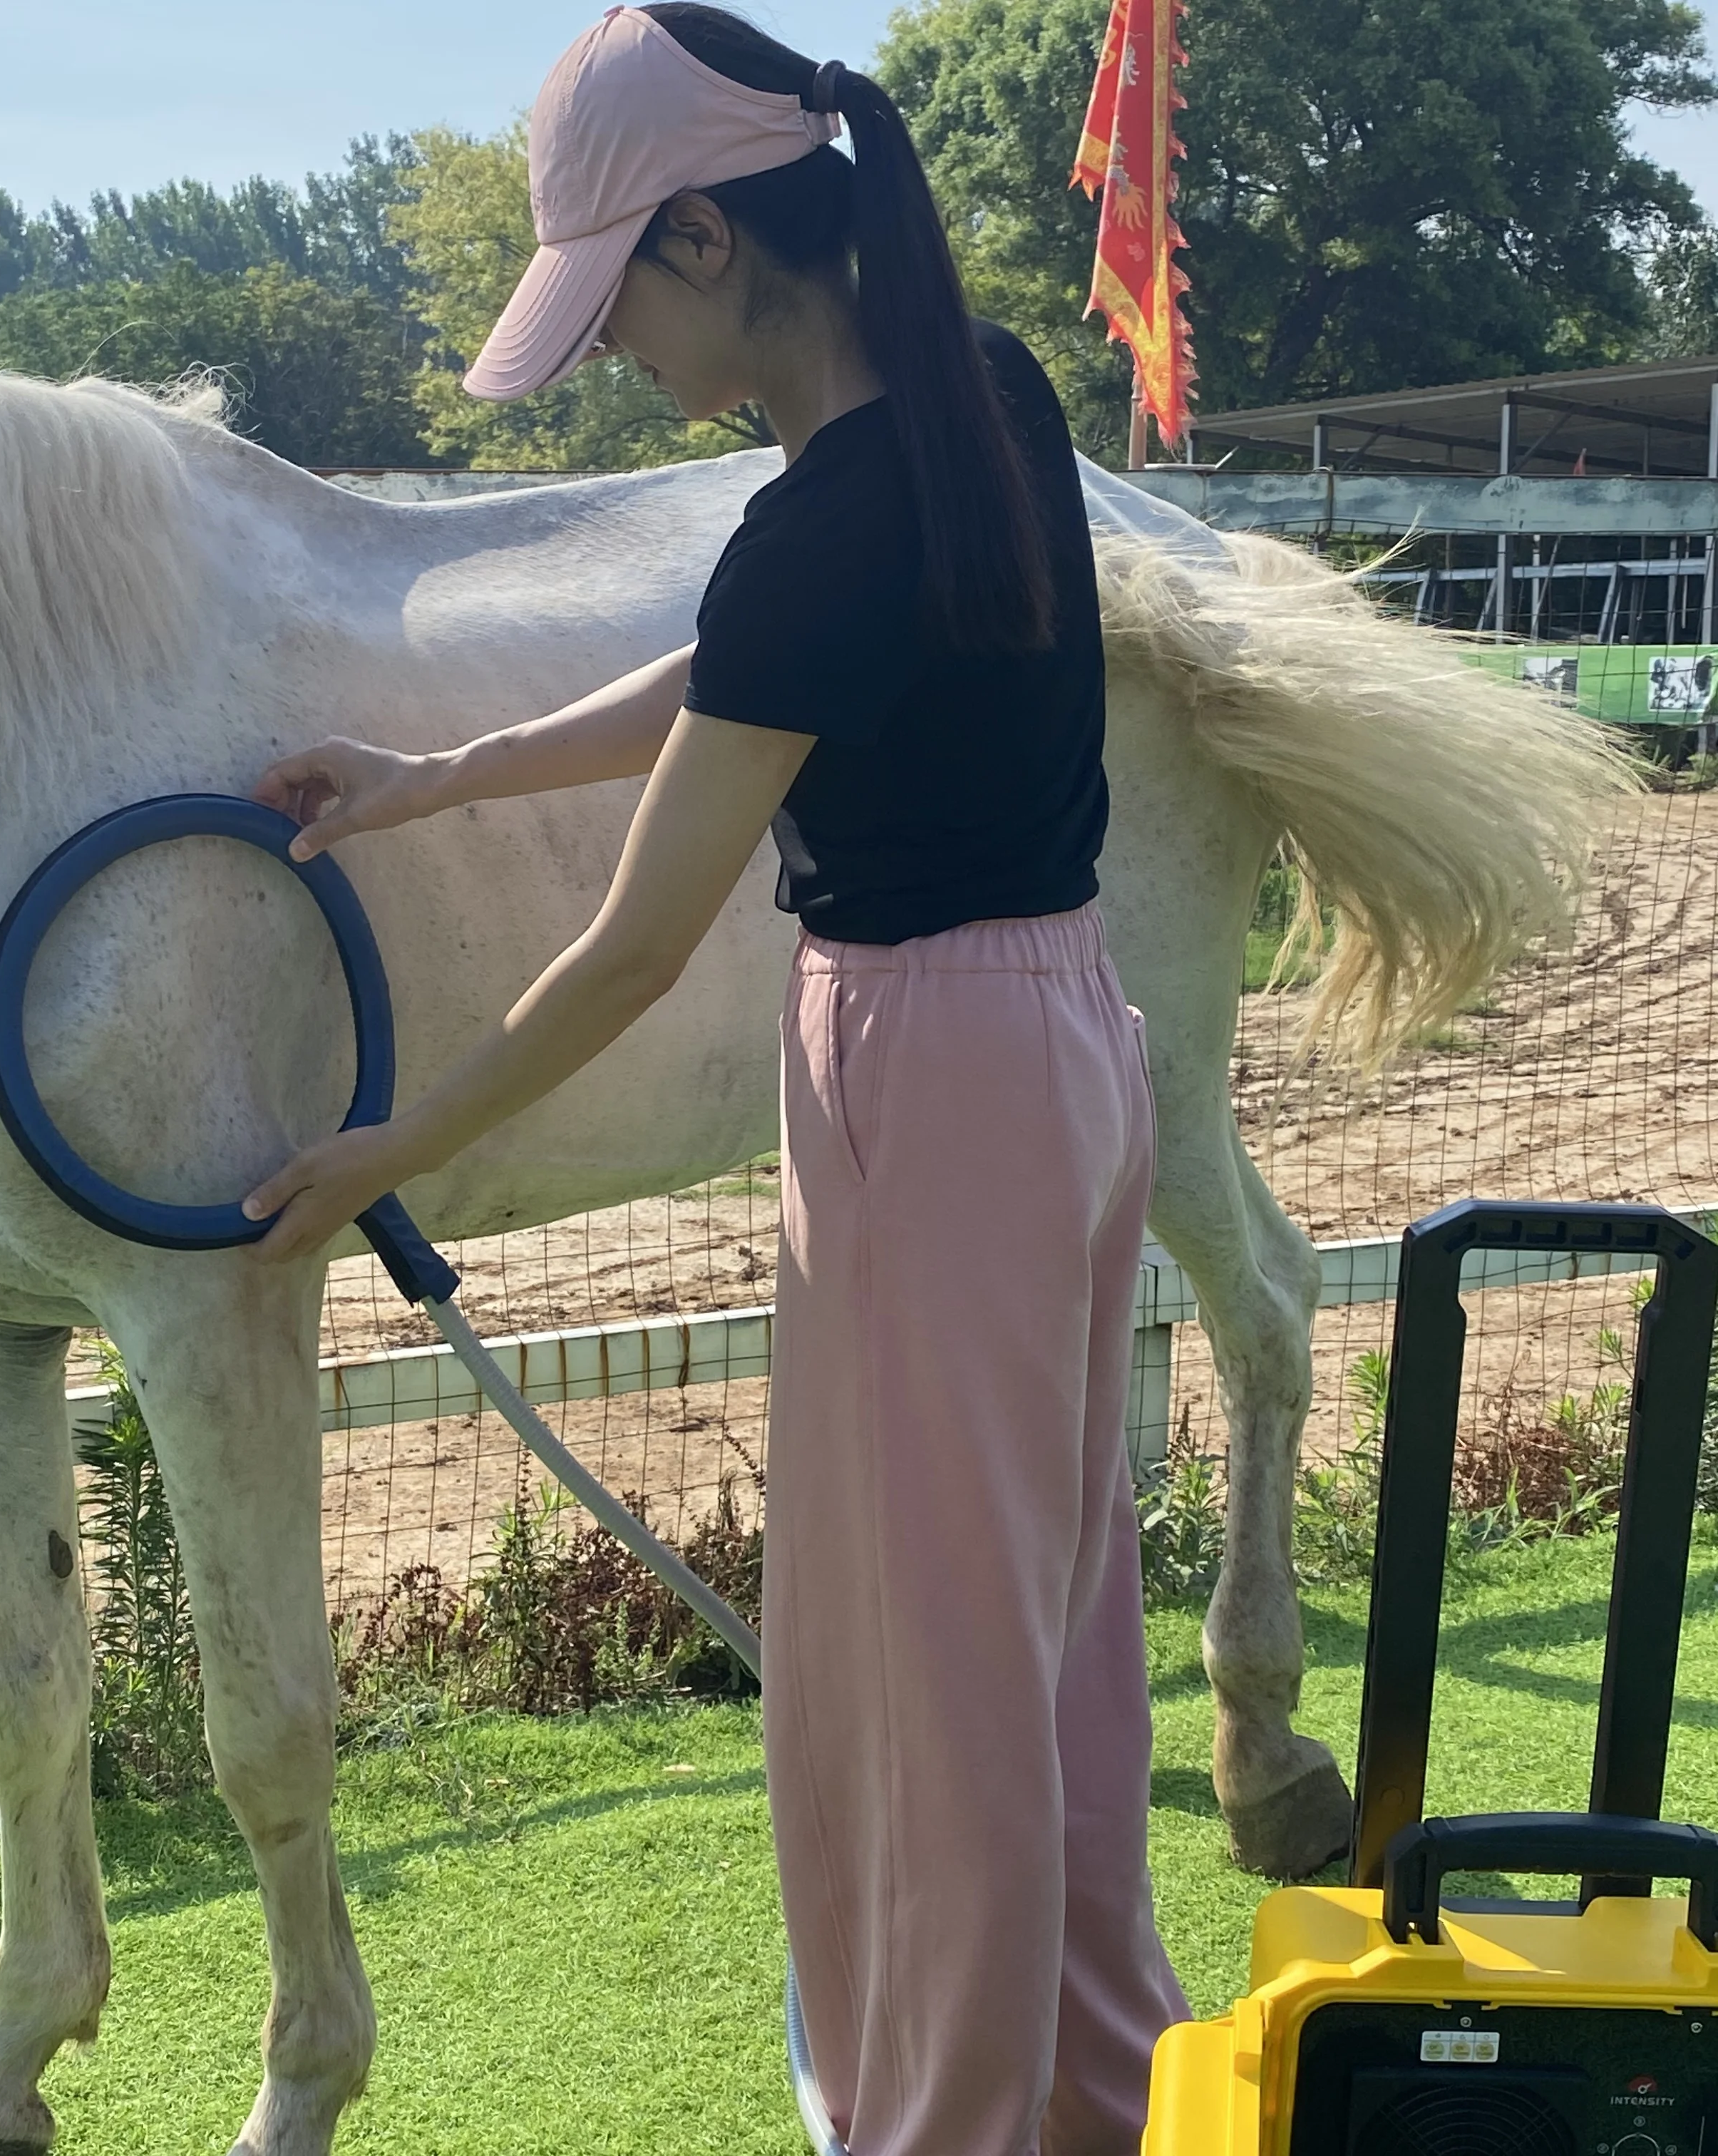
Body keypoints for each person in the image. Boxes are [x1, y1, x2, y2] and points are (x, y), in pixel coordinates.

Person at [242, 6, 1188, 2149]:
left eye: (607, 314)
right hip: (1059, 1039)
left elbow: (636, 944)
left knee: (917, 1690)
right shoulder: (981, 411)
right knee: (1045, 1653)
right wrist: (444, 773)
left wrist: (393, 1150)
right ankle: (1088, 2092)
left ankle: (939, 2121)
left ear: (699, 238)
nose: (610, 366)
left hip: (926, 1081)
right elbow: (744, 669)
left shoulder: (828, 523)